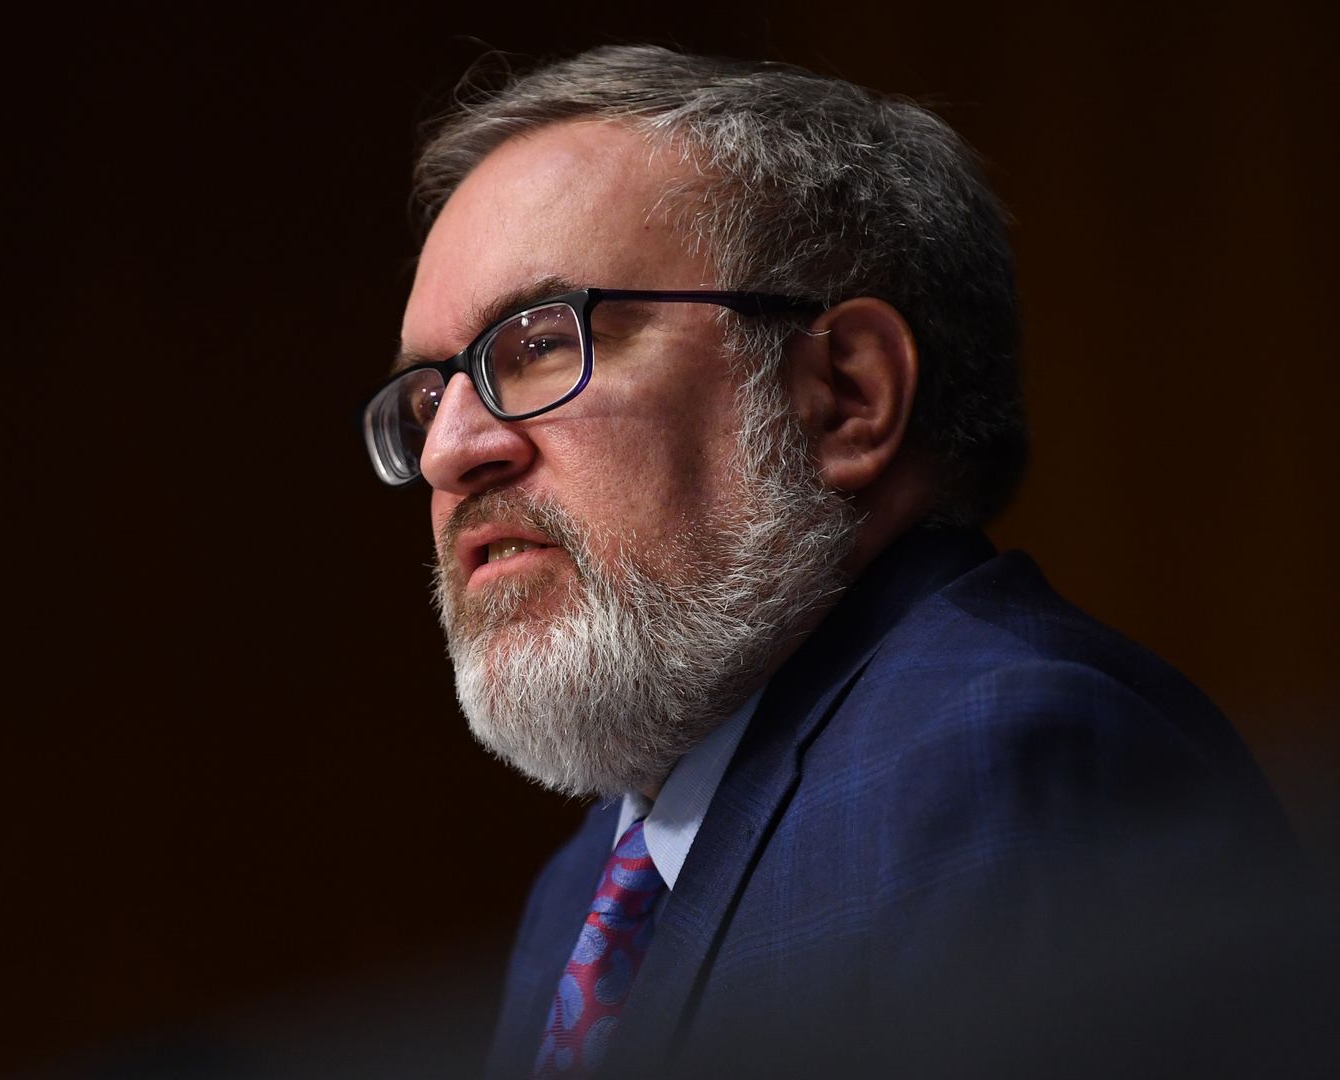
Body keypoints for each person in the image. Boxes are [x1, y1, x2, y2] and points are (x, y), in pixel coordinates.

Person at [361, 46, 1320, 1079]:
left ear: (843, 396)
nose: (450, 451)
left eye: (540, 344)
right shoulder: (578, 893)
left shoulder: (1005, 762)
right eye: (430, 394)